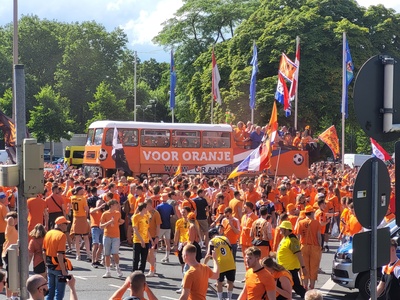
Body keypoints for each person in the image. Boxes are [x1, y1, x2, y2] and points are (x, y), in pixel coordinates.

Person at [42, 216, 73, 300]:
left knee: (50, 291)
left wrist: (46, 264)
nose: (67, 226)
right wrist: (63, 270)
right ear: (61, 225)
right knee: (59, 293)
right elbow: (59, 254)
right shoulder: (62, 235)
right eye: (66, 224)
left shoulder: (48, 233)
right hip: (59, 267)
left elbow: (44, 251)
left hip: (50, 265)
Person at [276, 220, 307, 298]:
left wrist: (303, 267)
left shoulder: (292, 240)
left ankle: (309, 297)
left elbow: (299, 254)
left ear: (286, 229)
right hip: (284, 268)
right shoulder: (285, 238)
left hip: (290, 268)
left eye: (282, 228)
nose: (280, 230)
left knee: (296, 286)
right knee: (287, 286)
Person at [206, 228, 236, 300]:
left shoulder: (212, 241)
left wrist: (204, 263)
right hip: (230, 262)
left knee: (219, 282)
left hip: (220, 264)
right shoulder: (225, 238)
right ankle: (230, 297)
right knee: (230, 282)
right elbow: (231, 250)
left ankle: (220, 298)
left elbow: (209, 254)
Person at [297, 205, 322, 290]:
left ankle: (305, 287)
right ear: (311, 213)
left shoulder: (301, 222)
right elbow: (319, 236)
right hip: (314, 247)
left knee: (304, 267)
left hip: (304, 246)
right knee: (314, 267)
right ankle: (312, 287)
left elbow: (299, 236)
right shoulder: (316, 223)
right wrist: (320, 246)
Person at [100, 199, 125, 278]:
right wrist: (109, 222)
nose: (117, 206)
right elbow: (101, 226)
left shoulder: (118, 213)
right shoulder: (105, 214)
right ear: (111, 206)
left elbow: (118, 221)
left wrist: (121, 221)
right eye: (115, 205)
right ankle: (108, 271)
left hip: (116, 236)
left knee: (115, 253)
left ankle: (117, 268)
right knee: (106, 254)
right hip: (107, 235)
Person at [70, 186, 91, 261]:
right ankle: (88, 253)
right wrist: (87, 216)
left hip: (75, 217)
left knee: (77, 237)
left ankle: (78, 254)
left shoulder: (72, 197)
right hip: (82, 217)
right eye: (82, 190)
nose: (83, 191)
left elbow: (70, 207)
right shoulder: (83, 198)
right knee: (85, 237)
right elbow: (86, 209)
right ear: (79, 191)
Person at [132, 202, 152, 273]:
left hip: (146, 240)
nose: (148, 209)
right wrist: (141, 241)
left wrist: (151, 240)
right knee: (136, 259)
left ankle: (141, 274)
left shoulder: (146, 217)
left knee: (144, 259)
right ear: (144, 208)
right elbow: (135, 230)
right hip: (137, 241)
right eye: (146, 207)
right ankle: (134, 274)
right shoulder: (135, 217)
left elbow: (147, 229)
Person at [156, 191, 175, 263]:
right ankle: (167, 257)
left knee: (156, 241)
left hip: (161, 226)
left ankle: (154, 255)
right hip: (168, 226)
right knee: (167, 242)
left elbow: (157, 216)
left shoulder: (159, 206)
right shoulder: (170, 206)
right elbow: (172, 215)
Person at [90, 199, 106, 268]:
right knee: (95, 244)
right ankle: (93, 261)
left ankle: (97, 260)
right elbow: (92, 212)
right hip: (95, 228)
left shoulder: (103, 212)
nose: (100, 204)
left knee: (101, 245)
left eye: (102, 203)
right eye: (99, 202)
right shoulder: (92, 209)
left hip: (102, 228)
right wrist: (100, 207)